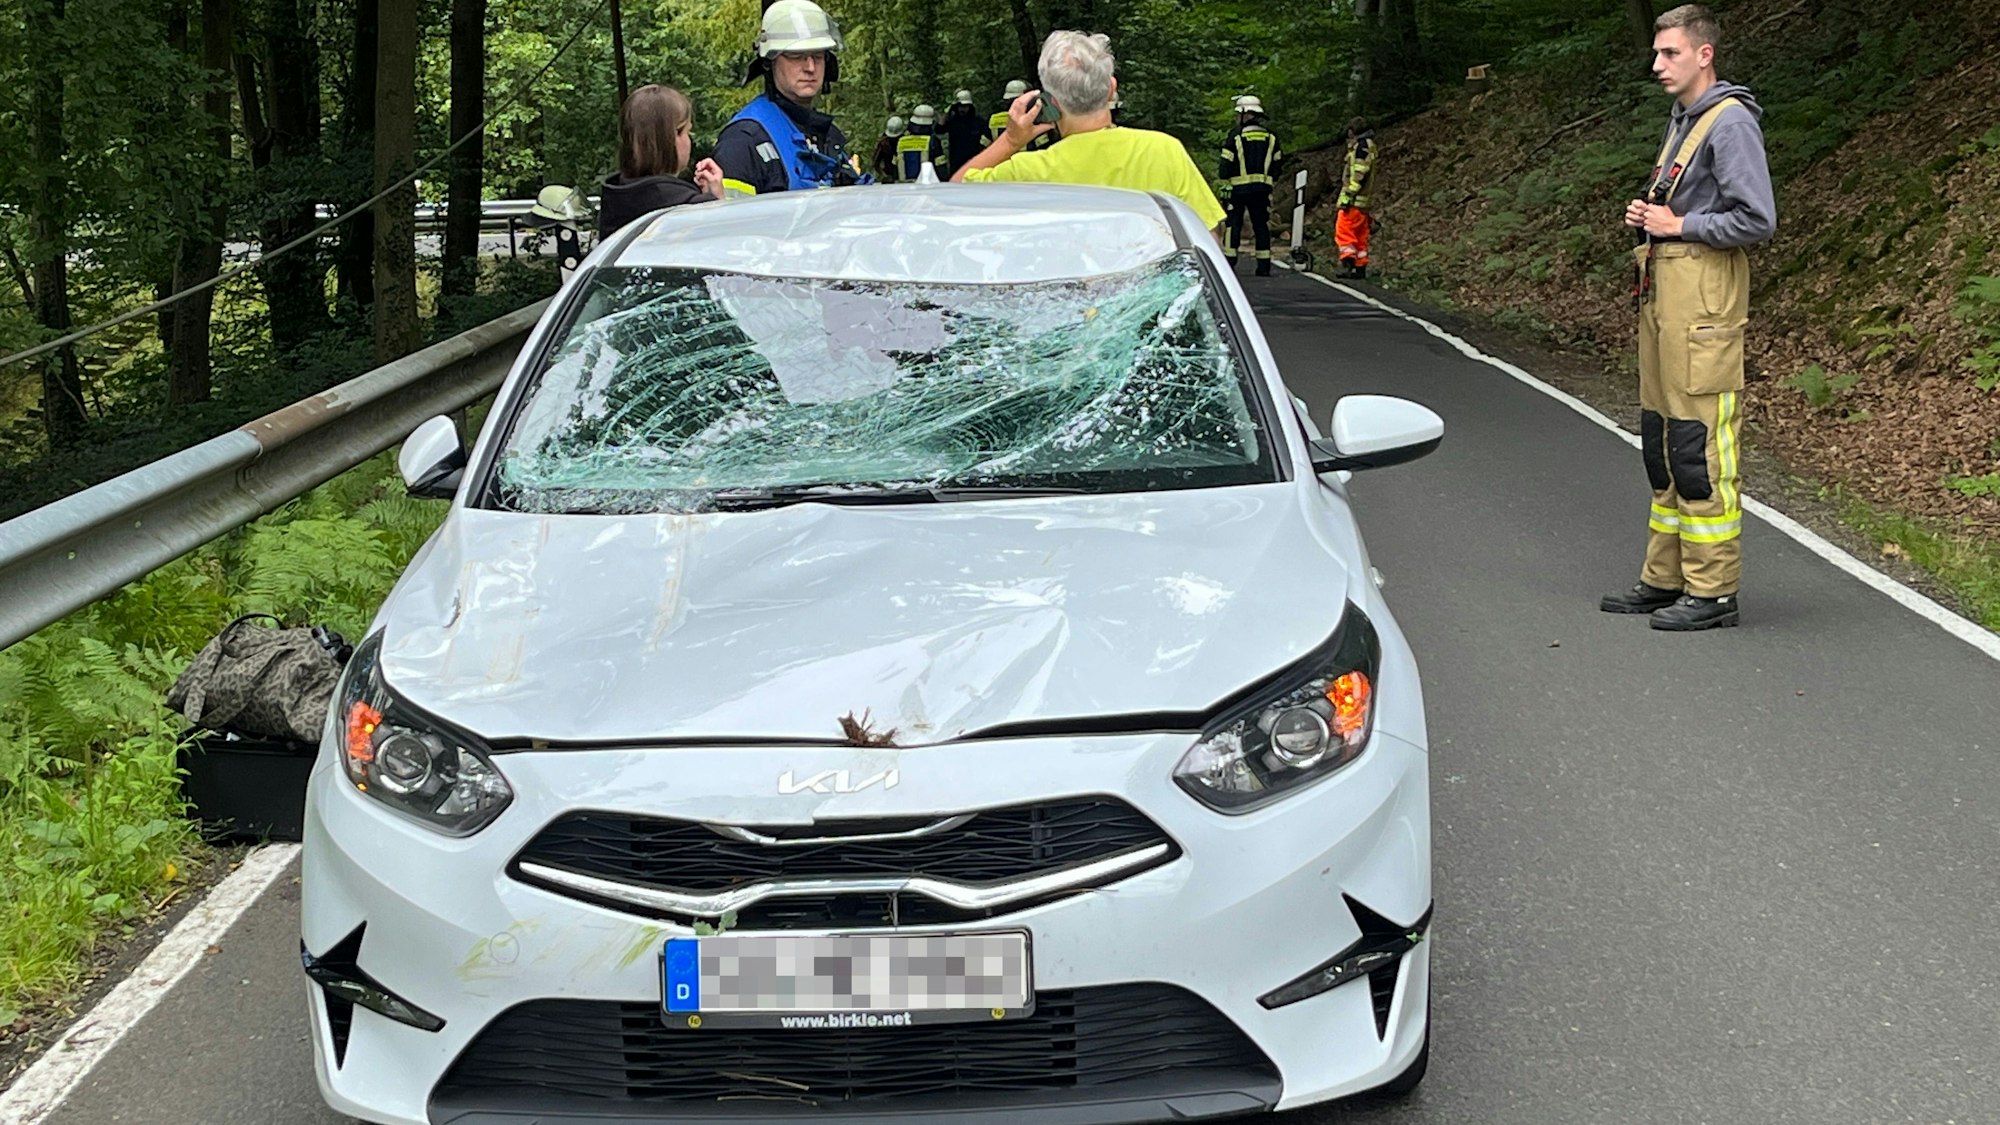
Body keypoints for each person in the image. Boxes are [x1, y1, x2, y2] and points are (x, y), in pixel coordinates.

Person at [1600, 4, 1775, 631]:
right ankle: (1666, 578)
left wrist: (1680, 224)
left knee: (1701, 442)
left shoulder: (1729, 123)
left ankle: (1714, 591)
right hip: (1666, 291)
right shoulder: (1685, 119)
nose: (1657, 65)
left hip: (1703, 297)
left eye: (1669, 53)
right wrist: (1651, 218)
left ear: (1705, 54)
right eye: (1656, 53)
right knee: (1664, 438)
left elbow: (1757, 219)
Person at [952, 31, 1225, 239]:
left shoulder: (1028, 171)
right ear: (1111, 89)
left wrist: (1010, 141)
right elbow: (1208, 239)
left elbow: (953, 193)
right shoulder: (1164, 150)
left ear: (1051, 103)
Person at [713, 0, 868, 196]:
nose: (810, 67)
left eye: (818, 56)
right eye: (796, 56)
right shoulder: (742, 141)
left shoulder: (827, 137)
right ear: (770, 62)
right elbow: (730, 222)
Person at [597, 85, 723, 238]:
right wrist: (716, 205)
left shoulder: (615, 197)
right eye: (686, 131)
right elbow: (719, 248)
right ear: (673, 137)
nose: (690, 140)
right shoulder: (689, 208)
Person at [1219, 94, 1281, 275]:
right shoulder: (1271, 137)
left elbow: (1226, 164)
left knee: (1233, 224)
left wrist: (1226, 178)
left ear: (1246, 114)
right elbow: (1277, 164)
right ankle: (1264, 266)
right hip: (1262, 189)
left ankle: (1229, 262)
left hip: (1239, 189)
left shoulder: (1236, 136)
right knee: (1261, 225)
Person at [1335, 117, 1376, 278]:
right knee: (1360, 235)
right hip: (1363, 201)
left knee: (1344, 231)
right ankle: (1360, 267)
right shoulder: (1369, 145)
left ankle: (1348, 264)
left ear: (1353, 131)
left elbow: (1359, 173)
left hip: (1354, 199)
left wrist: (1348, 194)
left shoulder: (1362, 147)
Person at [985, 79, 1053, 151]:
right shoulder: (1034, 119)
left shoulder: (994, 119)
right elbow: (1045, 146)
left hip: (1004, 161)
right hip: (1028, 161)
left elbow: (985, 145)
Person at [896, 104, 947, 182]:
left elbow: (894, 167)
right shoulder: (933, 141)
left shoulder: (901, 141)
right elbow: (940, 168)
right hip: (926, 187)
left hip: (903, 187)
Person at [943, 89, 986, 175]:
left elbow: (987, 139)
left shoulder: (978, 121)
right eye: (960, 106)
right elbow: (939, 130)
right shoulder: (952, 121)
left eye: (965, 106)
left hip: (974, 160)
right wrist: (948, 112)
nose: (962, 109)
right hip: (956, 162)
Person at [873, 116, 905, 184]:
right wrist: (885, 176)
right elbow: (876, 163)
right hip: (890, 177)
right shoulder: (883, 144)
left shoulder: (906, 141)